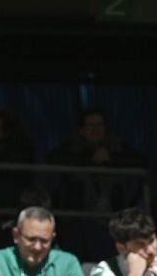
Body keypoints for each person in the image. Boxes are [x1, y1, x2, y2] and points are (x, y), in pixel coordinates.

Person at [47, 108, 146, 258]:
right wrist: (90, 159)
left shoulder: (116, 146)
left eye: (99, 125)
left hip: (112, 220)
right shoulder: (71, 147)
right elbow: (54, 159)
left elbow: (140, 161)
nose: (95, 130)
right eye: (90, 126)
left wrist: (111, 158)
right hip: (77, 220)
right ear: (81, 129)